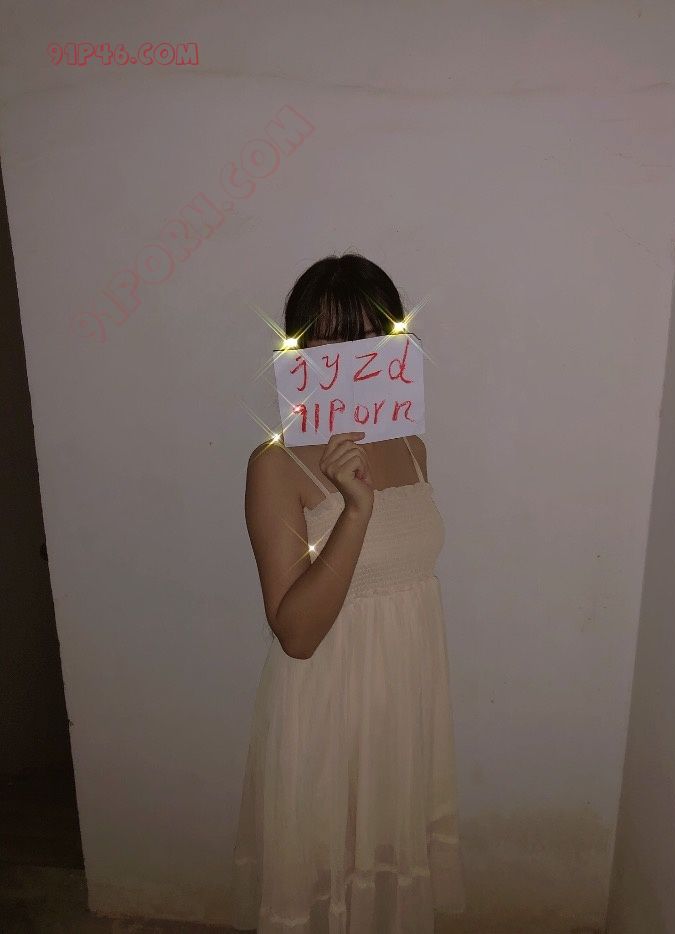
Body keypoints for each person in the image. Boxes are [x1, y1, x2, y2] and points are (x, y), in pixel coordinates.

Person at [231, 253, 466, 933]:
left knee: (386, 875)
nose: (349, 359)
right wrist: (354, 510)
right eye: (329, 340)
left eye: (366, 336)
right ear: (300, 351)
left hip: (405, 698)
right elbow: (297, 635)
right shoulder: (275, 465)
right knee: (325, 882)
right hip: (329, 703)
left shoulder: (413, 445)